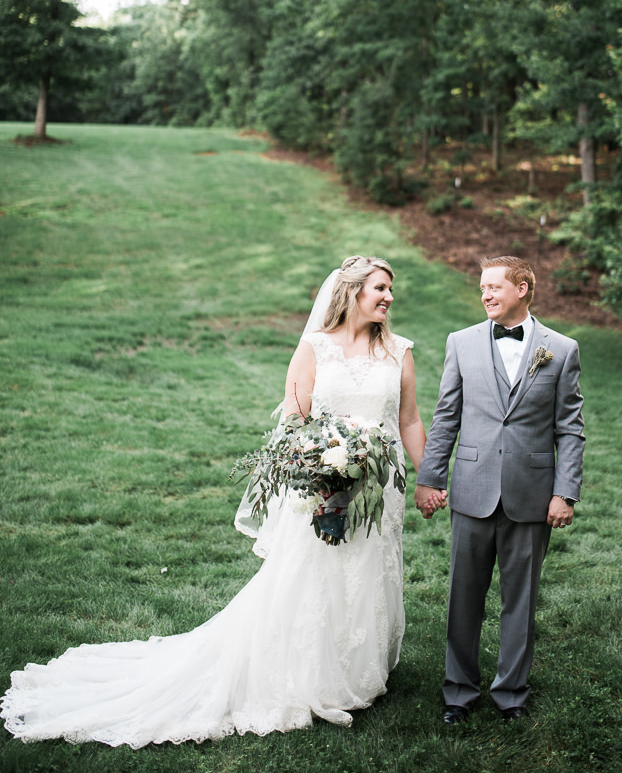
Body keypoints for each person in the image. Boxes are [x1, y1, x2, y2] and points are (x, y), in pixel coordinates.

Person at [2, 255, 433, 746]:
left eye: (390, 290)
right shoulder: (315, 347)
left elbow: (411, 420)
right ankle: (307, 672)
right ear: (352, 291)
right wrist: (322, 467)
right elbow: (293, 424)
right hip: (322, 487)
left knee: (367, 572)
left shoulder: (399, 351)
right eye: (380, 288)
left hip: (379, 493)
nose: (389, 298)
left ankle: (356, 671)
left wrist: (430, 478)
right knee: (315, 576)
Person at [414, 254, 585, 724]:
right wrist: (430, 477)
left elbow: (569, 428)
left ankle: (511, 694)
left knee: (521, 600)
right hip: (472, 487)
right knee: (463, 596)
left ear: (523, 288)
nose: (485, 294)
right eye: (482, 287)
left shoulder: (562, 349)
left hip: (532, 493)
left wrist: (564, 492)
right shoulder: (461, 342)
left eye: (495, 287)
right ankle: (458, 693)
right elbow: (446, 414)